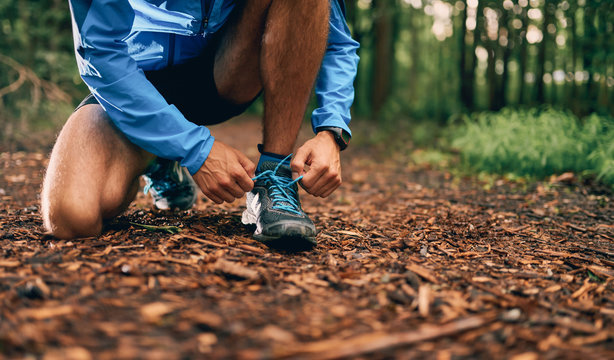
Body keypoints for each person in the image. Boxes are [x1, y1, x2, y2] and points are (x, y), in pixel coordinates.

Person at [41, 0, 359, 250]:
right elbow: (100, 52)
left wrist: (331, 130)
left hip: (223, 70)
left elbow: (337, 40)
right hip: (134, 84)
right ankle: (159, 155)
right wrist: (195, 150)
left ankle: (274, 176)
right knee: (72, 216)